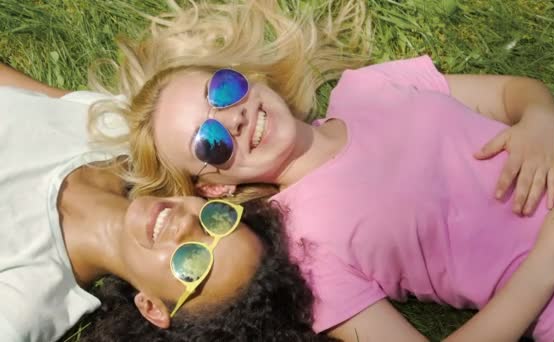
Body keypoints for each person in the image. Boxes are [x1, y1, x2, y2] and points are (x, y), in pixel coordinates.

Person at [88, 1, 554, 341]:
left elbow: (513, 93)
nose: (234, 117)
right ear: (216, 185)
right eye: (212, 141)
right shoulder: (305, 252)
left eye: (222, 91)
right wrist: (548, 264)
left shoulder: (368, 89)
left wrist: (539, 122)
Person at [0, 64, 328, 342]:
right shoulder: (118, 134)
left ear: (152, 307)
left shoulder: (29, 296)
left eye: (192, 265)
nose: (186, 225)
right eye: (216, 221)